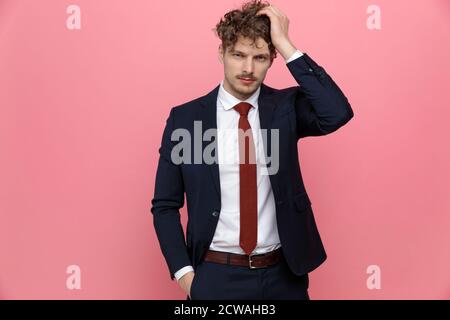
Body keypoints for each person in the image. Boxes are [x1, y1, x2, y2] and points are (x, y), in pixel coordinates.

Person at [151, 0, 354, 300]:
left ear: (272, 58)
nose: (248, 68)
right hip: (215, 275)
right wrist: (185, 275)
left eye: (260, 57)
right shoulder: (186, 119)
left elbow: (336, 112)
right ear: (221, 52)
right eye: (238, 55)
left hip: (283, 276)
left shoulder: (285, 109)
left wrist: (286, 45)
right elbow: (165, 205)